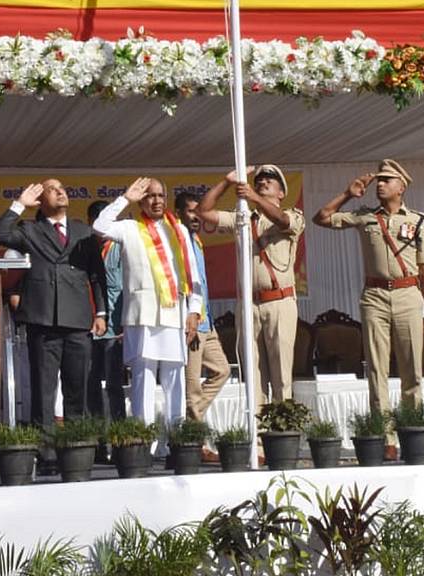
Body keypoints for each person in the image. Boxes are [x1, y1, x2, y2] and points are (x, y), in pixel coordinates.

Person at [313, 159, 424, 461]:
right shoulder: (364, 216)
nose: (380, 184)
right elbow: (322, 218)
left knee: (412, 370)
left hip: (408, 294)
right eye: (378, 180)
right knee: (377, 369)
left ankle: (412, 429)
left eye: (387, 180)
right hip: (375, 295)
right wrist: (348, 193)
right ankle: (385, 436)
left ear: (401, 187)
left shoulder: (418, 220)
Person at [0, 180, 107, 440]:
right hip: (43, 318)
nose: (61, 191)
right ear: (41, 201)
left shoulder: (83, 231)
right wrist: (19, 205)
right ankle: (46, 451)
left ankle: (77, 446)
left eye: (62, 187)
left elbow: (97, 275)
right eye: (52, 190)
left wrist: (101, 312)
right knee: (44, 389)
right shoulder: (30, 229)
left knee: (77, 386)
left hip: (77, 319)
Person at [93, 178, 202, 427]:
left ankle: (175, 436)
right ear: (142, 201)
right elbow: (99, 226)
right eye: (150, 196)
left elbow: (192, 274)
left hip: (175, 313)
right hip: (142, 315)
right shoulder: (129, 228)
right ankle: (144, 438)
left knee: (175, 378)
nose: (156, 201)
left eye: (160, 195)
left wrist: (194, 310)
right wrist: (125, 198)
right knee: (143, 378)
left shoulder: (179, 230)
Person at [198, 165, 304, 406]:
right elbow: (205, 212)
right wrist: (226, 182)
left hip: (279, 301)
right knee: (254, 374)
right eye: (260, 180)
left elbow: (282, 220)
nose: (264, 182)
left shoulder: (292, 214)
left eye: (271, 180)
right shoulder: (243, 219)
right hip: (250, 303)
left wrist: (254, 198)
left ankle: (281, 432)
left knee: (281, 374)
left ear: (281, 192)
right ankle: (258, 438)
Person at [175, 189, 229, 421]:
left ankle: (191, 419)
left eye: (199, 212)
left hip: (208, 321)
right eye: (191, 211)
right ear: (179, 214)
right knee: (192, 381)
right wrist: (191, 314)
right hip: (192, 320)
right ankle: (193, 436)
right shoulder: (177, 241)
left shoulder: (196, 240)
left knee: (222, 370)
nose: (197, 216)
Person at [85, 199, 126, 429]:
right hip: (90, 326)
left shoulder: (120, 247)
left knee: (113, 384)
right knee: (90, 384)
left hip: (115, 326)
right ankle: (99, 439)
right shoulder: (86, 248)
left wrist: (125, 323)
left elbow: (128, 287)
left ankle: (120, 435)